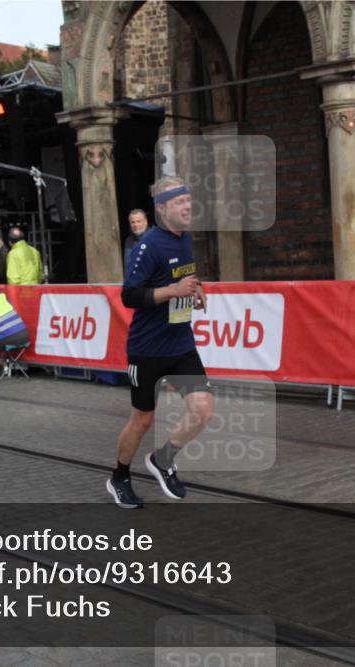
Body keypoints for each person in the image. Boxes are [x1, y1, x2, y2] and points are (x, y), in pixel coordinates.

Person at [107, 177, 214, 509]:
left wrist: (197, 291)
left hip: (181, 344)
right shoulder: (147, 246)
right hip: (147, 349)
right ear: (162, 208)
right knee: (142, 419)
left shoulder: (185, 239)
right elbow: (129, 295)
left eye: (189, 201)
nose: (188, 207)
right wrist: (174, 292)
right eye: (181, 202)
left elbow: (183, 278)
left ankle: (162, 460)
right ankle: (119, 477)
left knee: (203, 411)